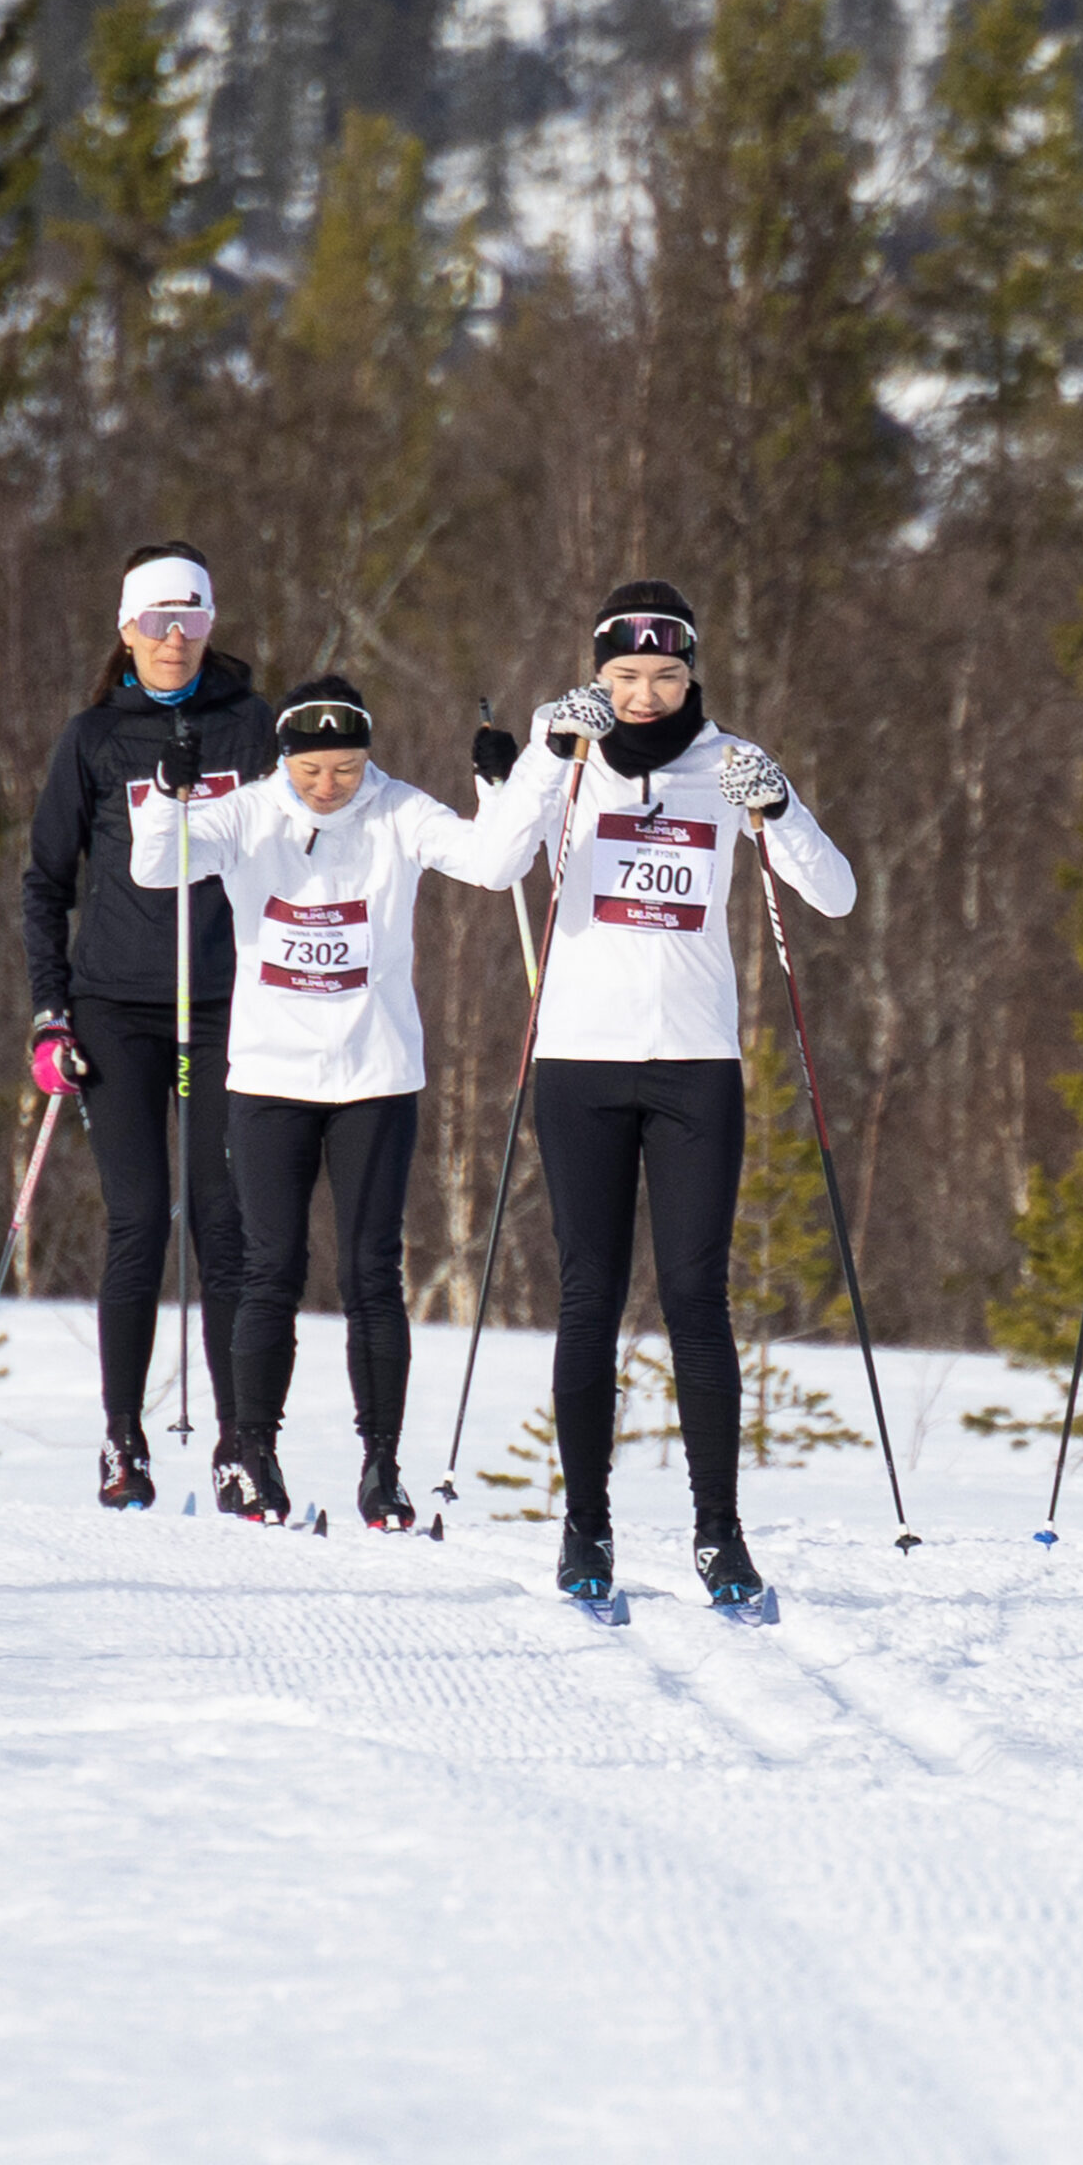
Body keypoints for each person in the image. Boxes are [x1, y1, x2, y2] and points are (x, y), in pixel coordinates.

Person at [482, 582, 854, 1611]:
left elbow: (836, 892)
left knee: (696, 1298)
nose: (645, 694)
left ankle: (717, 1533)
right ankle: (586, 1525)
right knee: (587, 1297)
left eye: (665, 675)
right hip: (580, 1063)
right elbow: (494, 864)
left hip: (694, 1065)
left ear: (692, 676)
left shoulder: (724, 764)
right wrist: (545, 753)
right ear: (599, 675)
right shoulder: (567, 755)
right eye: (625, 676)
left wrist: (779, 803)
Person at [130, 676, 538, 1527]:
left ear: (367, 758)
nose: (330, 786)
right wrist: (166, 795)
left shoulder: (397, 810)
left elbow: (497, 867)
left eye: (347, 768)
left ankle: (382, 1465)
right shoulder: (249, 813)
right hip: (271, 1078)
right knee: (267, 1268)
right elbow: (153, 866)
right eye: (314, 770)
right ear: (287, 761)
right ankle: (253, 1454)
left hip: (375, 1077)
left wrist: (502, 788)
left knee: (370, 1274)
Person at [22, 544, 277, 1510]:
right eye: (159, 620)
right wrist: (51, 1013)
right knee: (139, 1221)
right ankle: (122, 1437)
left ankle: (239, 1443)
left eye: (194, 619)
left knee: (225, 1224)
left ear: (213, 624)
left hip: (223, 1006)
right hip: (118, 1010)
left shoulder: (250, 725)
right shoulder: (92, 738)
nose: (177, 638)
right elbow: (46, 882)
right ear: (126, 629)